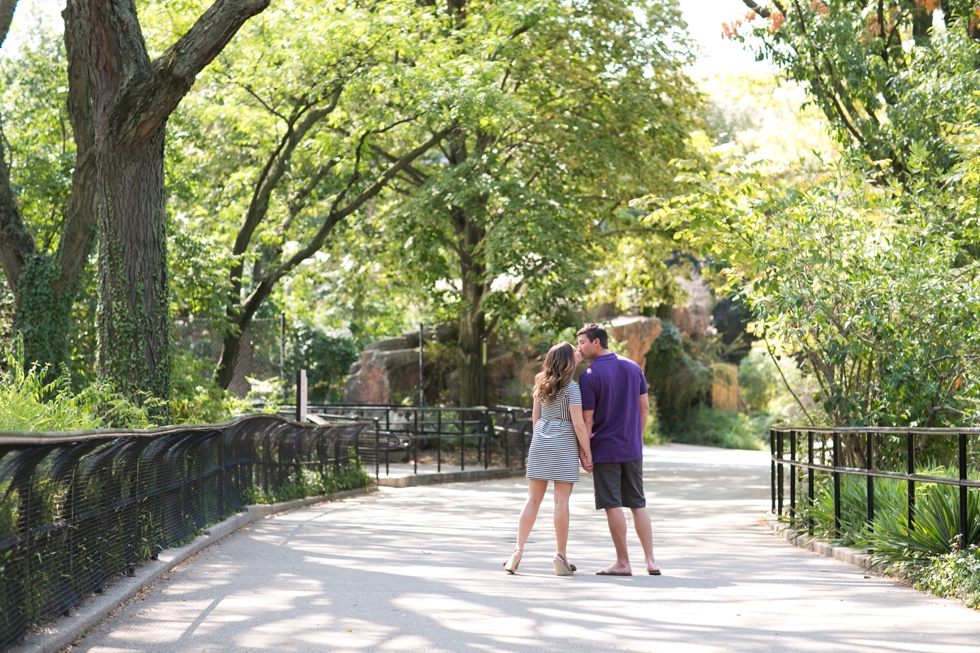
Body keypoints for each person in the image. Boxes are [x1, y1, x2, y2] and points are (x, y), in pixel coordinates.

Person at [576, 323, 661, 576]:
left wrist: (586, 452)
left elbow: (588, 421)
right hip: (631, 448)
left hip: (604, 450)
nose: (579, 347)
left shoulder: (589, 376)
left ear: (596, 342)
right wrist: (636, 436)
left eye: (581, 342)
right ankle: (651, 561)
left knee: (613, 504)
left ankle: (623, 563)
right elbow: (644, 408)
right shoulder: (633, 367)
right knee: (638, 503)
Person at [503, 342, 593, 576]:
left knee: (532, 499)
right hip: (564, 444)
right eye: (574, 350)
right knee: (561, 501)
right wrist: (587, 453)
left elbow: (535, 419)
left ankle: (517, 550)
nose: (578, 352)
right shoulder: (573, 389)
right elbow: (579, 425)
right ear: (567, 361)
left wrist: (541, 441)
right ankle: (560, 556)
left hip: (540, 442)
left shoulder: (540, 385)